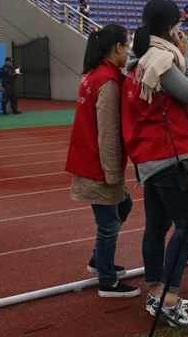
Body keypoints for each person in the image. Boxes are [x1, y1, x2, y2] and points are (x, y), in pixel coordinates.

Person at [121, 0, 188, 327]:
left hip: (148, 154)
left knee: (156, 228)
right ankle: (169, 301)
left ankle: (157, 293)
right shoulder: (162, 60)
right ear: (172, 27)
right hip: (165, 154)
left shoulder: (138, 57)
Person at [65, 24, 140, 298]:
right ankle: (107, 281)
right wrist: (112, 174)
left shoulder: (94, 74)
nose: (129, 50)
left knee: (123, 207)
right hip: (98, 165)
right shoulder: (107, 81)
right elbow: (107, 133)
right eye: (127, 45)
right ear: (117, 47)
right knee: (108, 224)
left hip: (90, 160)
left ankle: (99, 260)